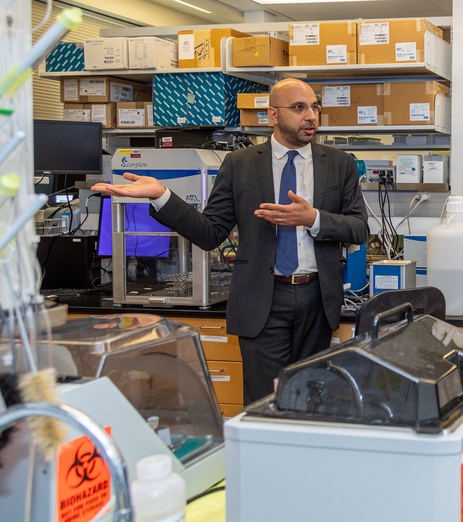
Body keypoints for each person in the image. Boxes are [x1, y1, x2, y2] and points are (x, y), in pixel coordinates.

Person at [93, 78, 369, 404]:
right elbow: (210, 232)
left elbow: (359, 228)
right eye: (299, 108)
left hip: (318, 300)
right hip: (263, 302)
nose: (310, 116)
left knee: (312, 401)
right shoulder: (240, 164)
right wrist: (162, 195)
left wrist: (313, 219)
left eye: (314, 107)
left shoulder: (338, 164)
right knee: (265, 403)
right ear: (273, 115)